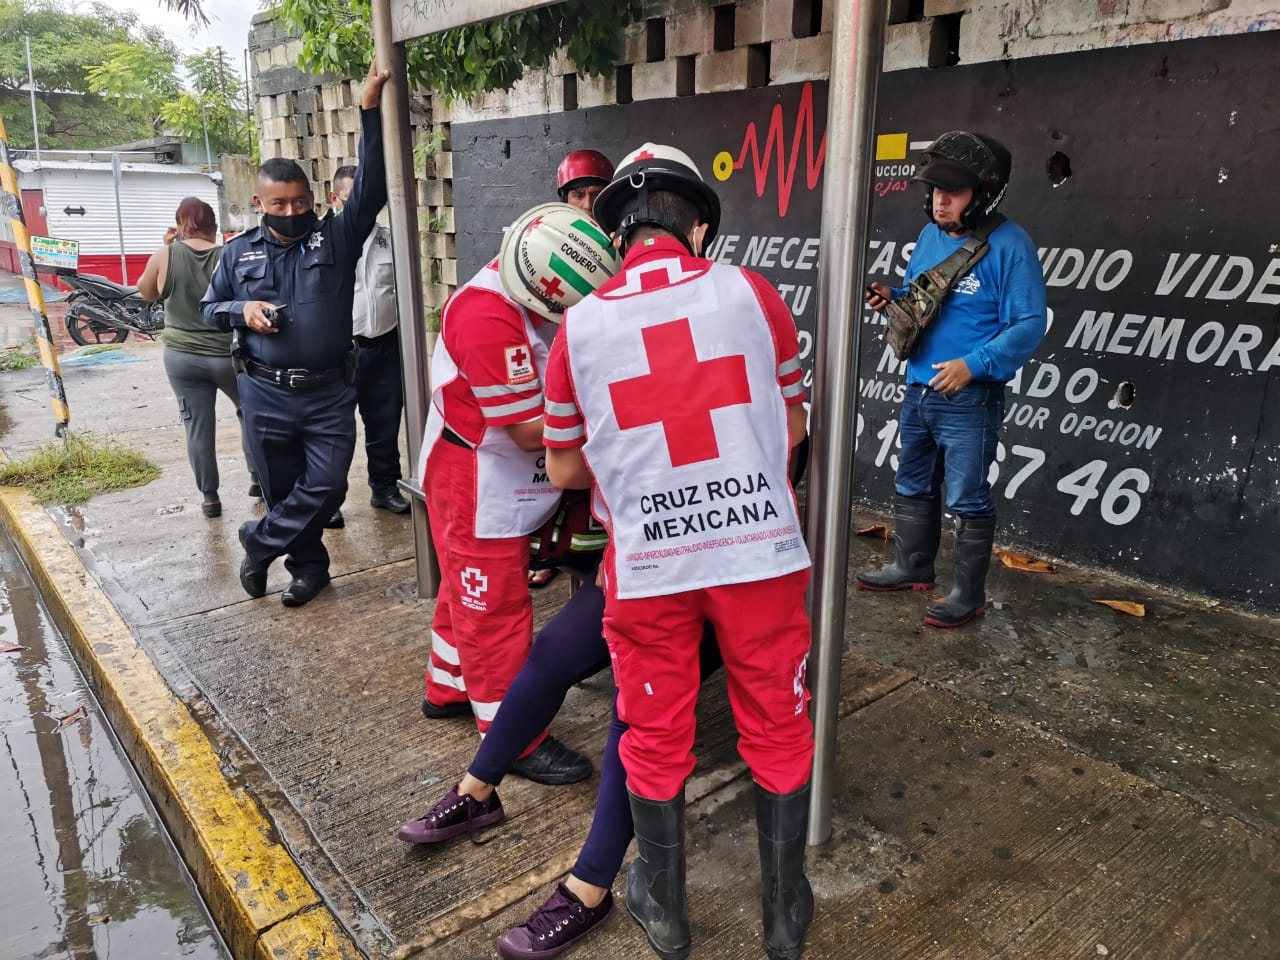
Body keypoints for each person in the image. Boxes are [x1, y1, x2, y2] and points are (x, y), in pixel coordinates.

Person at [542, 143, 815, 960]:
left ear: (618, 234)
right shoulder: (751, 292)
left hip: (650, 567)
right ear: (698, 225)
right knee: (777, 719)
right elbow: (794, 426)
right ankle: (782, 915)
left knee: (654, 732)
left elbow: (562, 466)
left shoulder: (578, 328)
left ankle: (666, 912)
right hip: (758, 555)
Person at [413, 201, 616, 782]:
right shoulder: (484, 316)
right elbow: (530, 431)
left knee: (465, 587)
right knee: (493, 604)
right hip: (478, 472)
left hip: (499, 466)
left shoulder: (541, 273)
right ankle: (513, 734)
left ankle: (448, 686)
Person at [200, 61, 390, 608]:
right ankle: (309, 569)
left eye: (300, 202)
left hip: (329, 391)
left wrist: (369, 109)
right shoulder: (237, 253)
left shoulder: (336, 237)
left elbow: (372, 184)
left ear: (313, 198)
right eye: (279, 204)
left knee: (328, 487)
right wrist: (243, 309)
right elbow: (207, 310)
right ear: (258, 203)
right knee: (283, 490)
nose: (291, 212)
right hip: (263, 391)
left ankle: (258, 542)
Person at [856, 131, 1048, 628]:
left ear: (982, 194)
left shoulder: (1010, 245)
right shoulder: (928, 238)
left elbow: (1030, 323)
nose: (940, 200)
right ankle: (912, 566)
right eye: (935, 190)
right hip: (918, 386)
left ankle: (968, 595)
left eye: (953, 191)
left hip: (969, 398)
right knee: (911, 480)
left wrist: (974, 365)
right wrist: (892, 297)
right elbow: (924, 295)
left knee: (967, 496)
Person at [527, 149, 616, 590]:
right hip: (558, 375)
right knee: (558, 475)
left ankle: (590, 565)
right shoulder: (543, 246)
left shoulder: (621, 247)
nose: (586, 204)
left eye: (595, 195)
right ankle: (553, 553)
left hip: (604, 378)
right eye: (577, 195)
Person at [137, 198, 260, 518]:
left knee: (197, 427)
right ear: (214, 226)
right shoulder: (227, 255)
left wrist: (166, 247)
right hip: (226, 356)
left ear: (179, 224)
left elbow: (146, 292)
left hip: (182, 358)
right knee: (250, 413)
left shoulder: (166, 254)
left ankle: (210, 498)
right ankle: (258, 479)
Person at [324, 164, 411, 530]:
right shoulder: (322, 239)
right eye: (351, 200)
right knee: (334, 433)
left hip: (384, 347)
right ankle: (328, 500)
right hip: (338, 353)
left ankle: (385, 486)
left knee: (385, 424)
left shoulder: (389, 239)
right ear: (334, 199)